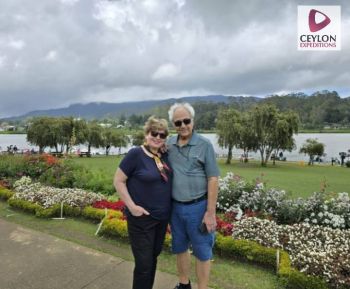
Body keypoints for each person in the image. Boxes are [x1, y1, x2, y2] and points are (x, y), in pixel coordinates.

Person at [113, 116, 172, 289]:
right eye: (154, 133)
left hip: (161, 219)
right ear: (146, 134)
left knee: (152, 258)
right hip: (141, 220)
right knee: (144, 265)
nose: (158, 137)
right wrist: (132, 207)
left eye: (162, 135)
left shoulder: (164, 155)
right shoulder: (135, 155)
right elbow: (118, 181)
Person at [167, 103, 220, 289]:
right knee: (180, 248)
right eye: (178, 122)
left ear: (193, 121)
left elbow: (213, 178)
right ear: (173, 124)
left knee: (202, 251)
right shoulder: (169, 145)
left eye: (186, 121)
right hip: (175, 208)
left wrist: (210, 212)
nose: (182, 125)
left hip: (198, 208)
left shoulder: (204, 144)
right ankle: (184, 284)